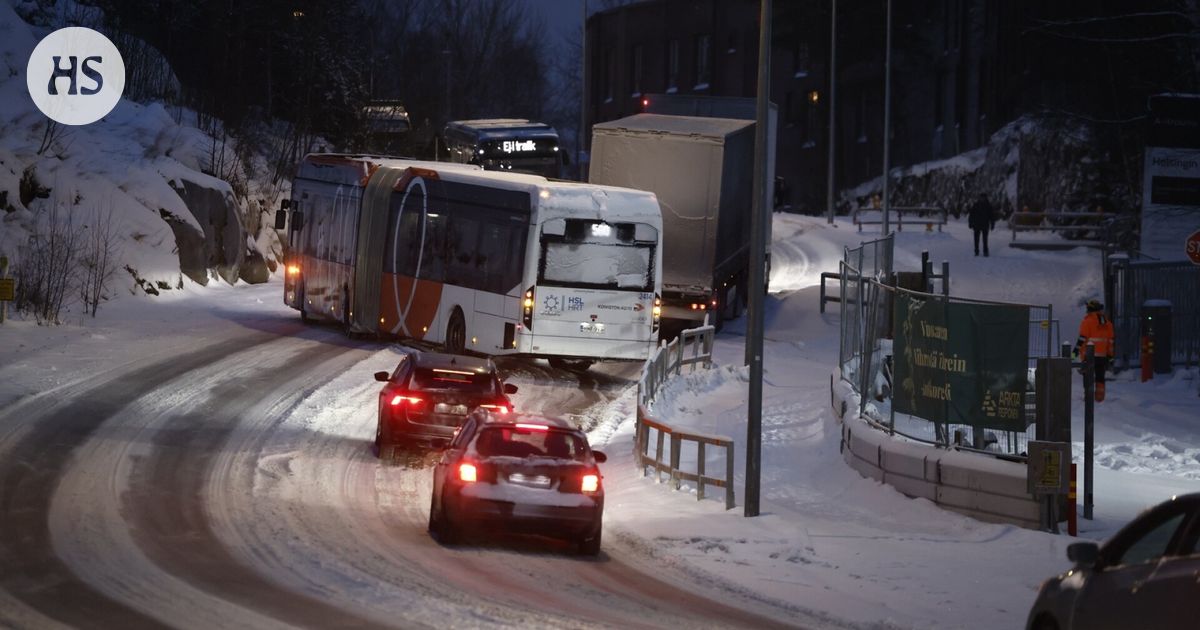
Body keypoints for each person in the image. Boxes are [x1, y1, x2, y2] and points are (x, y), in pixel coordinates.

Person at [1075, 299, 1115, 402]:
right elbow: (1110, 342)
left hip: (1089, 355)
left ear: (1089, 309)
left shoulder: (1087, 321)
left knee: (1087, 375)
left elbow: (1082, 339)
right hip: (1102, 356)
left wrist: (1074, 352)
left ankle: (1088, 397)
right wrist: (1110, 356)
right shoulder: (1108, 324)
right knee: (1100, 376)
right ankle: (1099, 397)